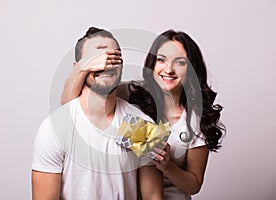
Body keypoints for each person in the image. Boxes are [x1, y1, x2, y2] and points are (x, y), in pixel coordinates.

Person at [61, 29, 225, 200]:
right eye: (161, 60)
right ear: (152, 64)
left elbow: (194, 184)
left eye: (179, 62)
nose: (168, 69)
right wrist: (84, 66)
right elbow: (70, 104)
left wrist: (167, 165)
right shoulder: (130, 94)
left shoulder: (194, 122)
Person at [32, 27, 163, 200]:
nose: (106, 63)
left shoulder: (139, 124)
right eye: (97, 58)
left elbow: (153, 195)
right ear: (78, 69)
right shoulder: (55, 128)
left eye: (113, 58)